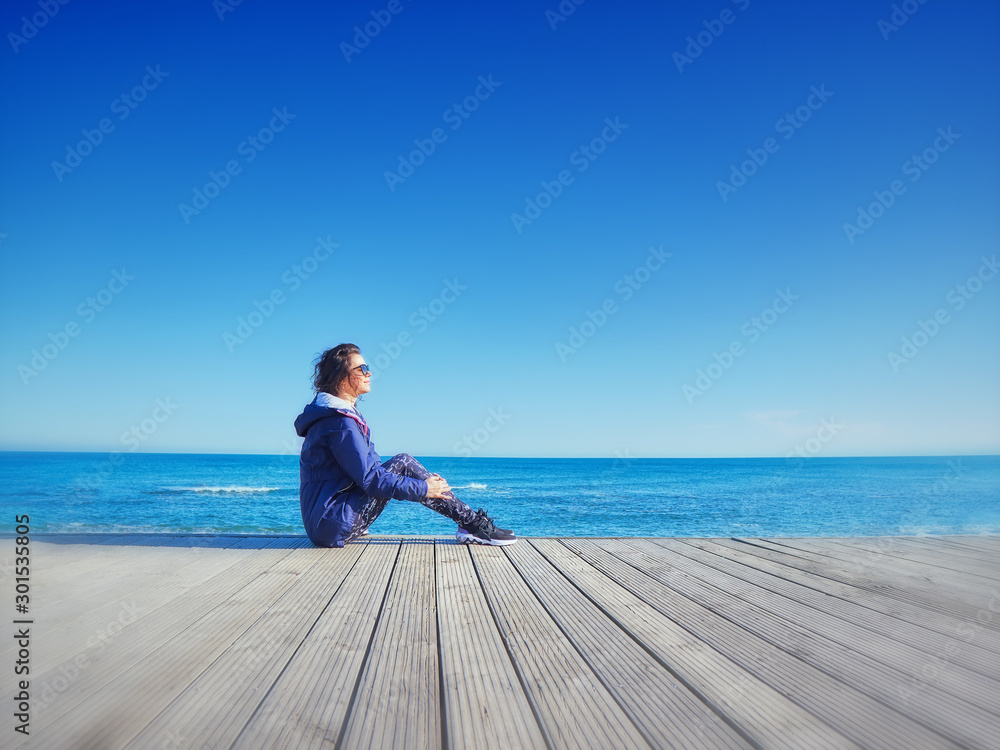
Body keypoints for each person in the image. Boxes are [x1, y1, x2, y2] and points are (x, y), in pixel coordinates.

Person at [294, 343, 517, 548]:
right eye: (362, 369)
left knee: (403, 464)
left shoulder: (335, 417)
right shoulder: (341, 423)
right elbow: (372, 480)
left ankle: (470, 521)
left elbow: (371, 470)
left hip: (325, 522)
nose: (369, 373)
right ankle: (473, 524)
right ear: (342, 378)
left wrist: (424, 483)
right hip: (332, 526)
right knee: (404, 462)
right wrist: (424, 487)